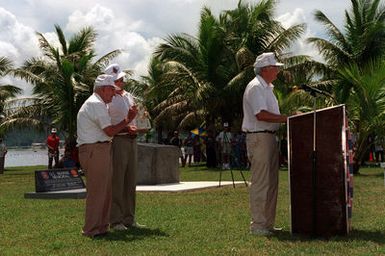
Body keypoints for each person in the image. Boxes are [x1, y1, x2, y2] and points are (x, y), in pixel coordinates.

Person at [77, 74, 136, 238]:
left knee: (104, 191)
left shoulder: (98, 103)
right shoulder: (96, 104)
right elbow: (109, 131)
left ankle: (101, 227)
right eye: (112, 90)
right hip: (94, 149)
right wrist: (128, 120)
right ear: (104, 89)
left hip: (100, 149)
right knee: (97, 191)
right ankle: (91, 229)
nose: (114, 93)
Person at [242, 52, 288, 236]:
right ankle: (258, 225)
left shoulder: (267, 87)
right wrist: (288, 118)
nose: (277, 70)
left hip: (268, 137)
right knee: (261, 182)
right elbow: (260, 115)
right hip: (259, 136)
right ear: (266, 69)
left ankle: (268, 223)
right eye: (275, 67)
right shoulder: (255, 87)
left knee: (271, 183)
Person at [105, 63, 143, 231]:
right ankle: (115, 219)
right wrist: (126, 126)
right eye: (117, 79)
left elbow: (133, 117)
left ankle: (129, 217)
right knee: (118, 181)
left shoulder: (128, 95)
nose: (121, 81)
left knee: (130, 180)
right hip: (118, 140)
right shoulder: (108, 99)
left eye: (121, 78)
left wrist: (137, 126)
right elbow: (107, 122)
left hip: (132, 139)